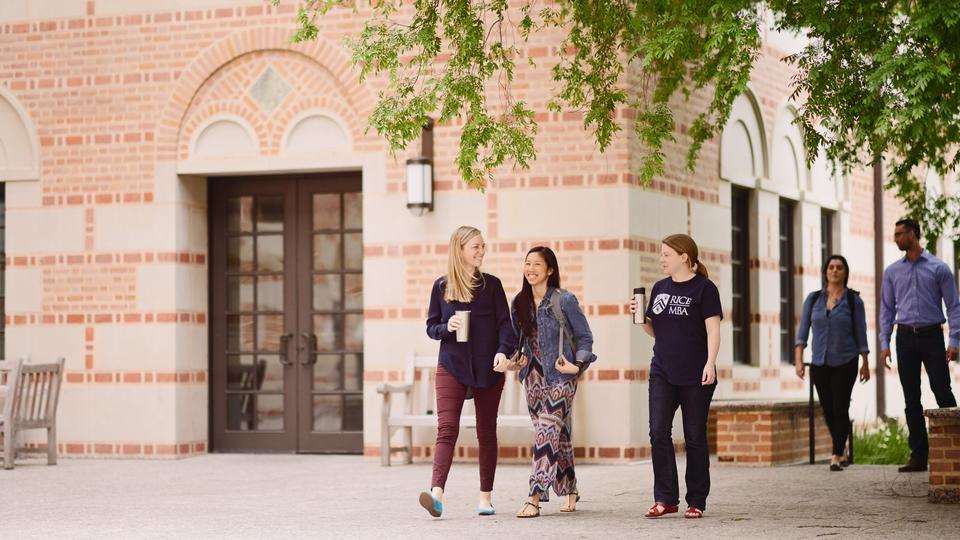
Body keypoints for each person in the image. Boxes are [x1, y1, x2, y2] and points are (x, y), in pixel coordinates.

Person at [419, 226, 517, 517]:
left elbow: (506, 327)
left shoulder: (493, 286)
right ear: (459, 249)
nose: (481, 251)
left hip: (489, 367)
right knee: (447, 429)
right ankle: (436, 495)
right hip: (452, 364)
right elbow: (431, 327)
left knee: (487, 432)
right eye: (475, 246)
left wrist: (503, 352)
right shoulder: (441, 287)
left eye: (482, 246)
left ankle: (485, 498)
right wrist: (446, 328)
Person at [630, 233, 721, 520]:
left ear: (684, 256)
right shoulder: (659, 288)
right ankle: (665, 498)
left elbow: (713, 330)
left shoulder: (705, 289)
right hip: (663, 372)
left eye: (667, 254)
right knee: (658, 432)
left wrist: (711, 363)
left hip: (696, 373)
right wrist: (641, 319)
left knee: (694, 437)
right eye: (661, 254)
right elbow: (658, 330)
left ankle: (696, 500)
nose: (662, 259)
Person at [509, 246, 597, 518]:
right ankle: (569, 488)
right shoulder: (519, 303)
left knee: (547, 430)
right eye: (527, 264)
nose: (531, 269)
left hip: (561, 374)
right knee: (555, 434)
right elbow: (516, 344)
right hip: (533, 376)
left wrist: (577, 365)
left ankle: (534, 497)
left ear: (550, 269)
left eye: (537, 264)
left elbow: (585, 338)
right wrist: (516, 360)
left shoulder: (564, 300)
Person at [879, 218, 960, 473]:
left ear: (913, 234)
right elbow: (887, 310)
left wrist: (954, 340)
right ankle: (918, 456)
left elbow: (954, 306)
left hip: (931, 336)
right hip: (904, 337)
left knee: (942, 391)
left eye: (899, 234)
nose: (895, 238)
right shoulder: (892, 272)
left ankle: (955, 448)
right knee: (910, 397)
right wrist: (884, 343)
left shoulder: (939, 268)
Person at [794, 255, 871, 471]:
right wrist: (799, 360)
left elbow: (861, 333)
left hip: (846, 360)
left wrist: (865, 362)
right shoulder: (813, 299)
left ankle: (836, 454)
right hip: (819, 361)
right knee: (828, 408)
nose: (835, 271)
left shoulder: (854, 301)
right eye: (831, 267)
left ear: (845, 272)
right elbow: (802, 332)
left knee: (840, 406)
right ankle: (842, 446)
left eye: (839, 267)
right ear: (825, 271)